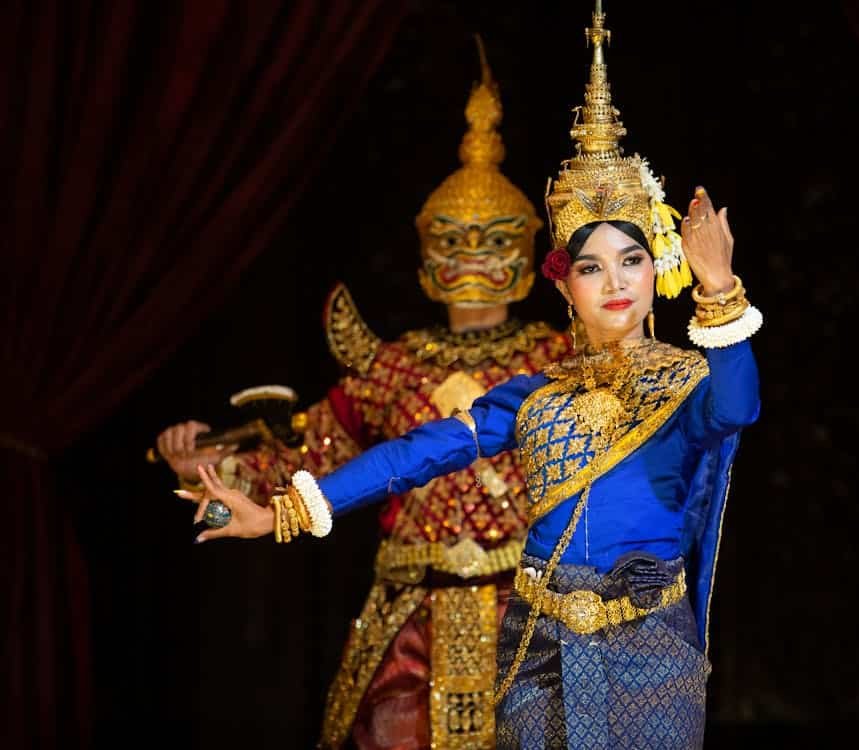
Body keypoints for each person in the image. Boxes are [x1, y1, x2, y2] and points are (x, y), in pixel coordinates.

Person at [180, 4, 762, 748]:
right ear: (561, 287)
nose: (613, 282)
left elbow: (737, 407)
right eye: (590, 266)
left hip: (647, 647)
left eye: (631, 260)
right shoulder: (531, 395)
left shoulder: (686, 384)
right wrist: (285, 512)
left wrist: (718, 288)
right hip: (538, 644)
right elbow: (412, 456)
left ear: (659, 271)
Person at [156, 40, 570, 750]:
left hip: (529, 613)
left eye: (492, 240)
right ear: (423, 258)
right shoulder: (390, 368)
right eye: (453, 240)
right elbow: (309, 455)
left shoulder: (558, 360)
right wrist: (207, 470)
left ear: (527, 254)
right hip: (409, 616)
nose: (472, 254)